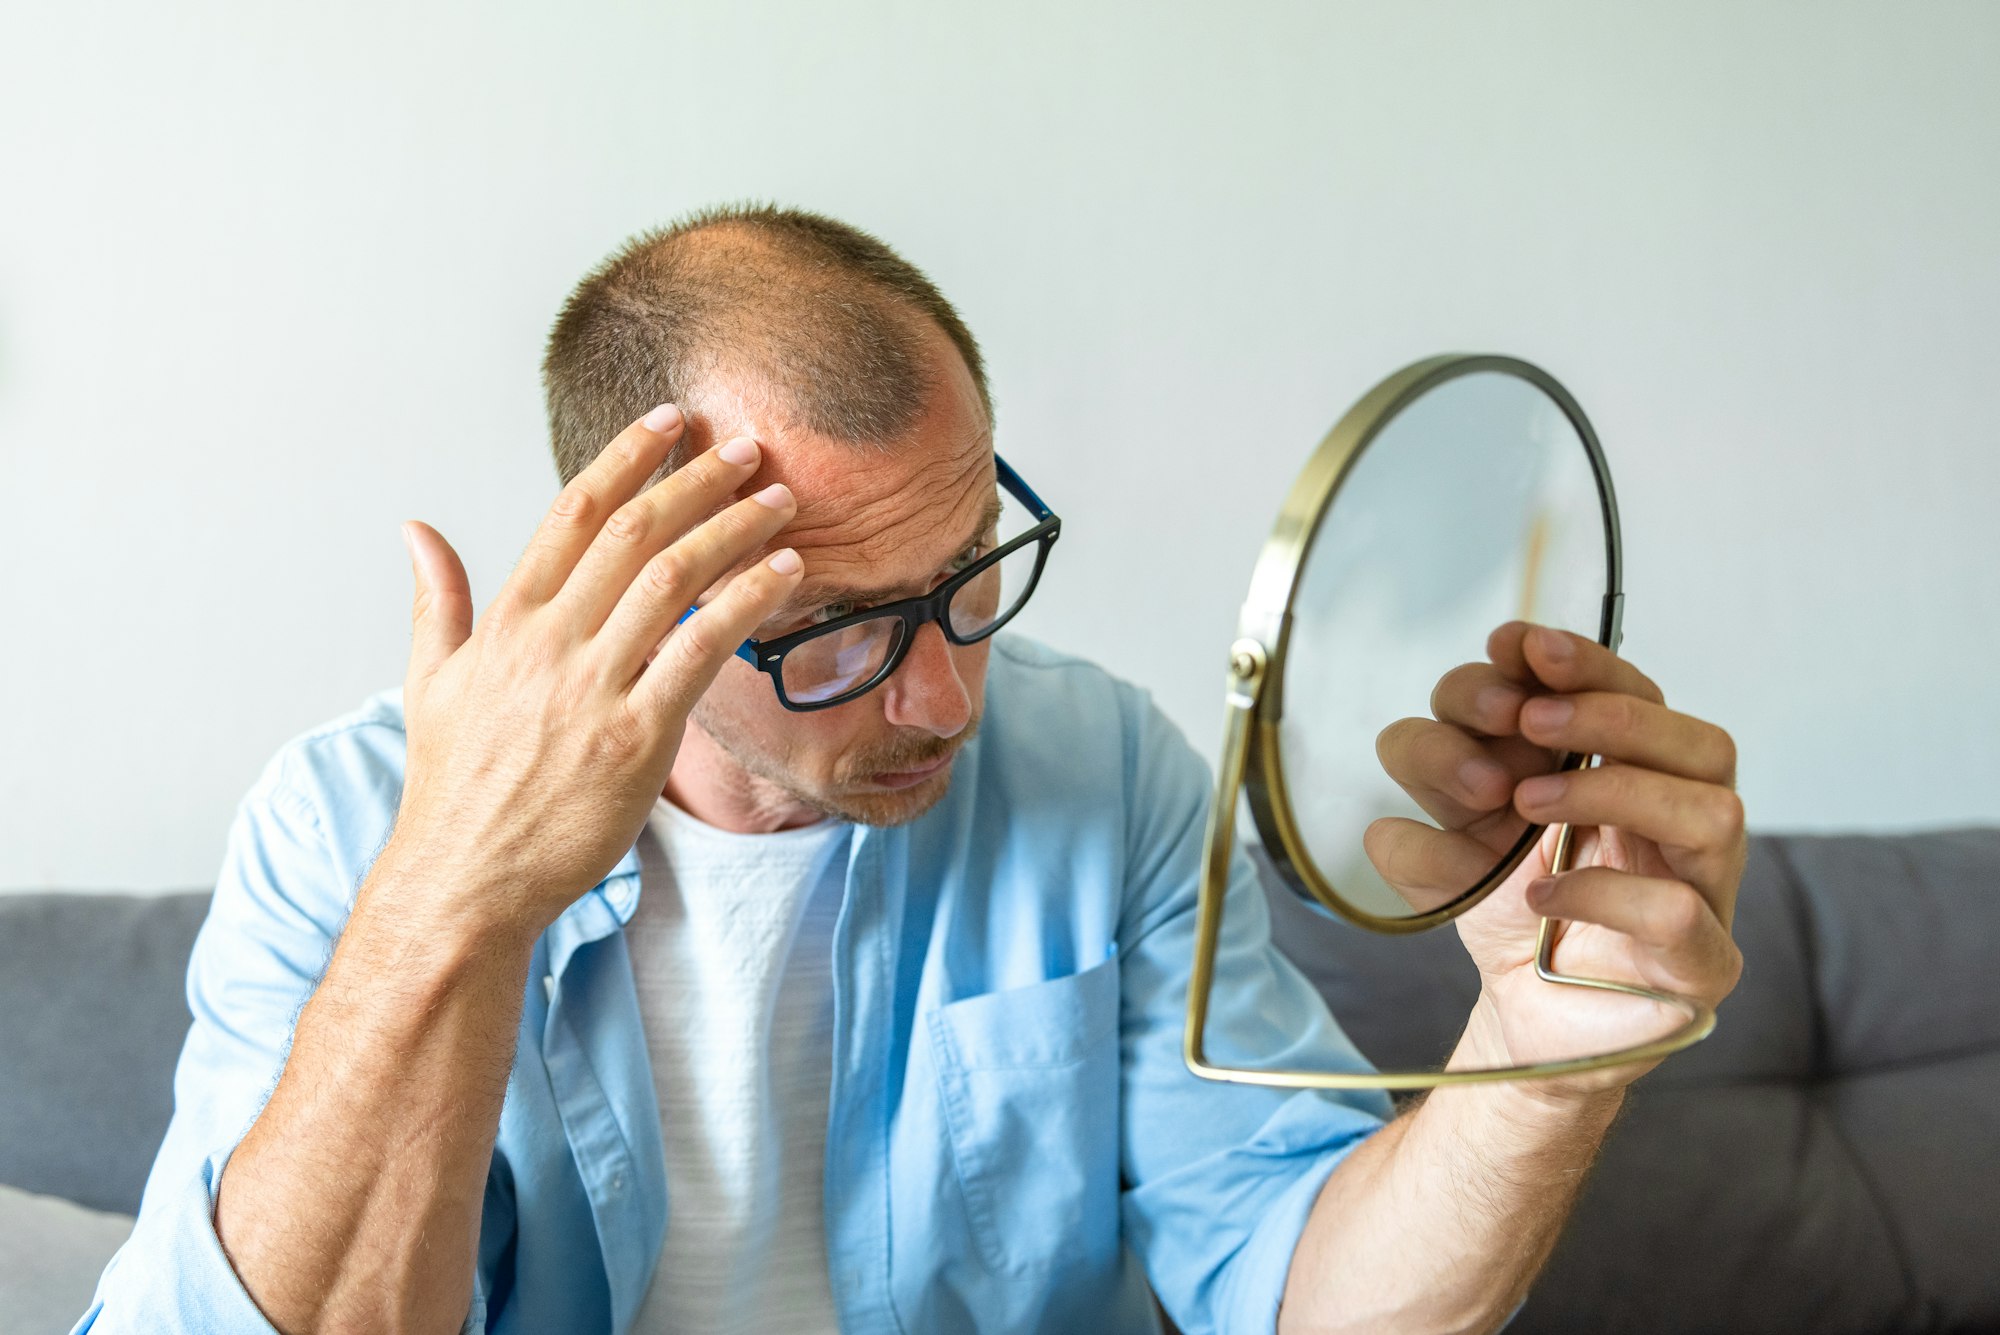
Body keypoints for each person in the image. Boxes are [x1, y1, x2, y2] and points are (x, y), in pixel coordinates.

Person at [74, 204, 1746, 1335]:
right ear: (631, 583)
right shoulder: (348, 826)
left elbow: (1305, 1294)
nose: (945, 699)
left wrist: (1541, 1061)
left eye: (966, 577)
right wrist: (461, 891)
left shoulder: (1104, 770)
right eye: (841, 629)